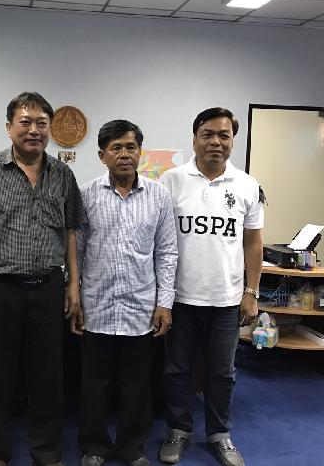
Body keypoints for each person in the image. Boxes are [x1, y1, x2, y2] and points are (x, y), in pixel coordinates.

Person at [0, 92, 86, 466]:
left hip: (48, 287)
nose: (34, 130)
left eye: (41, 123)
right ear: (9, 127)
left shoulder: (63, 174)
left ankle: (46, 452)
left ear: (49, 128)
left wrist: (73, 284)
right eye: (25, 122)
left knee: (48, 376)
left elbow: (70, 231)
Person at [158, 107, 264, 466]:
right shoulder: (171, 181)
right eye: (208, 134)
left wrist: (251, 293)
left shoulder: (247, 185)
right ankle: (178, 430)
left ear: (233, 141)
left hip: (226, 300)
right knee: (177, 370)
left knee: (222, 373)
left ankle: (220, 434)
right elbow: (160, 239)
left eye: (224, 135)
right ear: (194, 140)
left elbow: (253, 242)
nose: (215, 142)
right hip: (180, 298)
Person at [72, 120, 177, 466]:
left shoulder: (159, 195)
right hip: (97, 306)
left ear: (140, 153)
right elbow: (76, 252)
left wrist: (164, 303)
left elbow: (166, 252)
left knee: (137, 386)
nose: (124, 154)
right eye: (116, 148)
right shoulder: (85, 195)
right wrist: (75, 299)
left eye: (131, 147)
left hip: (140, 308)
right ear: (102, 155)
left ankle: (133, 447)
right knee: (94, 386)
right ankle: (94, 447)